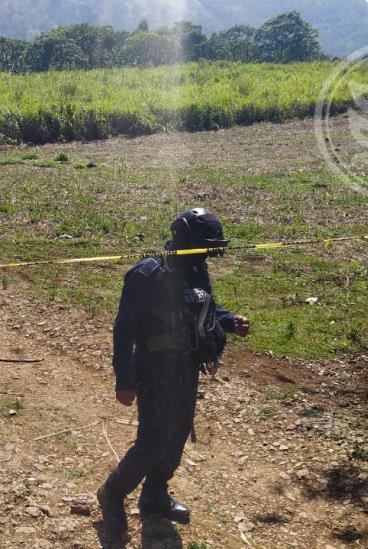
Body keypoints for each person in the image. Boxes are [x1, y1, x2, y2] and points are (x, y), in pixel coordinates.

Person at [97, 208, 250, 535]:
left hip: (187, 367)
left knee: (178, 434)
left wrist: (229, 320)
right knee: (153, 441)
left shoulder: (197, 270)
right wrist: (124, 380)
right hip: (153, 369)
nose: (211, 253)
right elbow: (123, 330)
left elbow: (207, 308)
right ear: (187, 240)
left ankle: (154, 495)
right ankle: (112, 493)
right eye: (207, 246)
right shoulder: (147, 274)